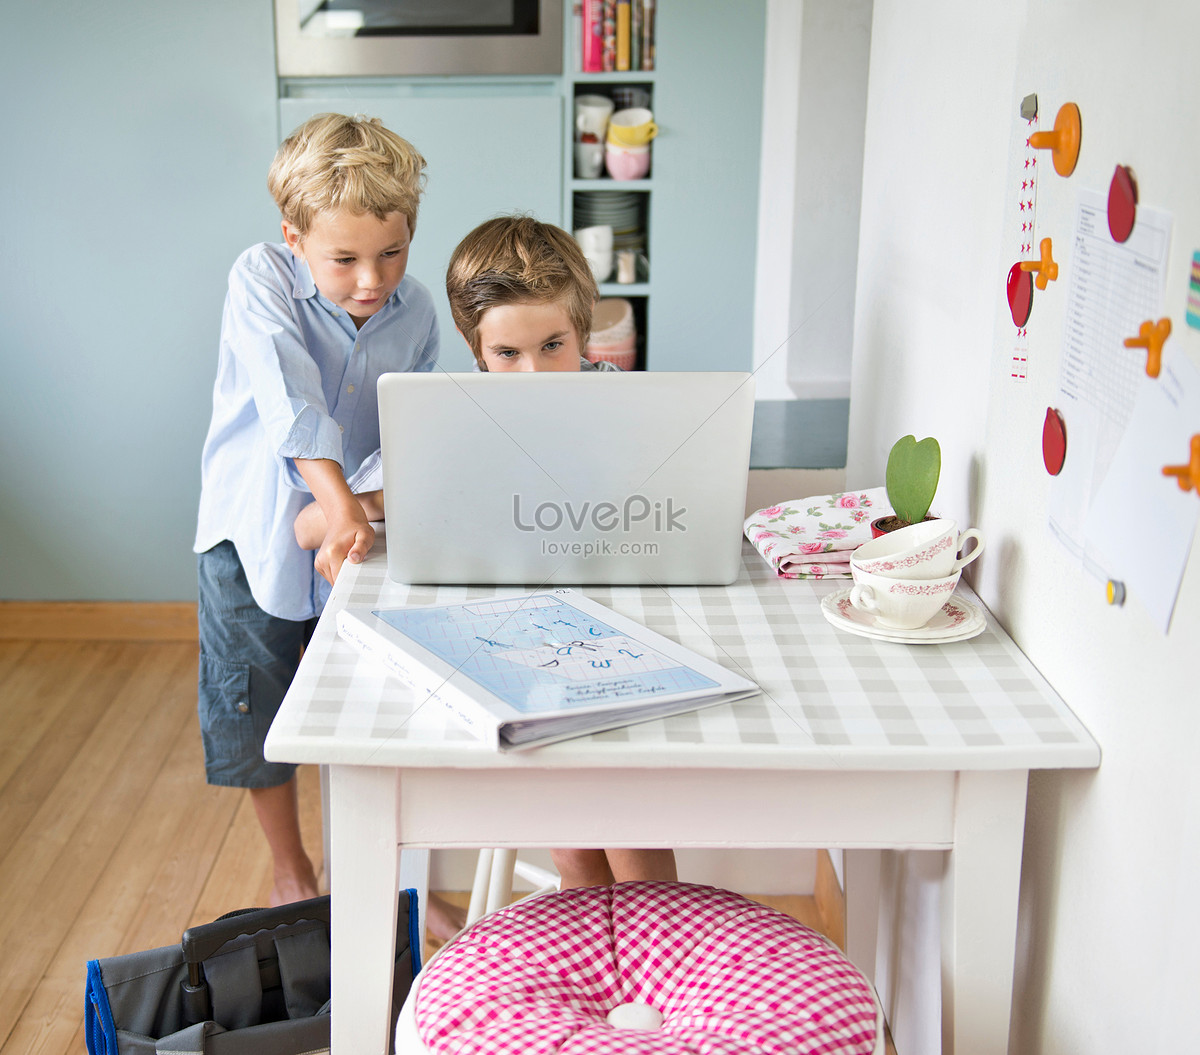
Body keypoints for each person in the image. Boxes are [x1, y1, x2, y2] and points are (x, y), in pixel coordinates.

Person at [193, 113, 467, 936]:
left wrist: (357, 507)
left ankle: (381, 882)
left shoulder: (415, 313)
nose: (370, 279)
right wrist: (332, 500)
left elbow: (402, 424)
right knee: (256, 710)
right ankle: (292, 872)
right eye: (344, 259)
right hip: (251, 533)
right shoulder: (260, 278)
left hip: (352, 539)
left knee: (367, 708)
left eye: (391, 252)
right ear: (294, 237)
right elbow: (289, 398)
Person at [445, 214, 677, 890]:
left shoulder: (626, 405)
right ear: (477, 351)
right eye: (507, 355)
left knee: (634, 837)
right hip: (525, 641)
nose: (533, 372)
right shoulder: (456, 416)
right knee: (575, 841)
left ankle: (651, 964)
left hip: (628, 632)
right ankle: (595, 961)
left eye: (553, 345)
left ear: (583, 332)